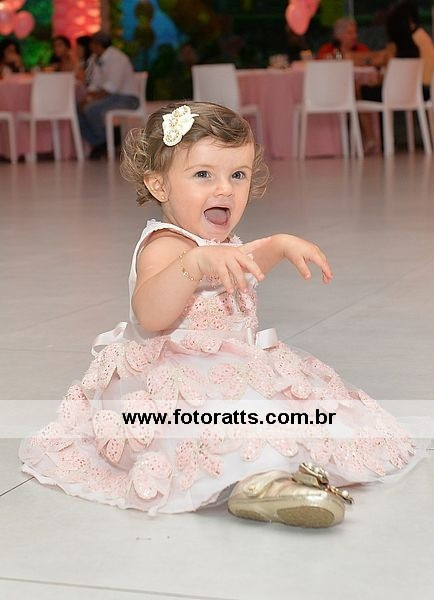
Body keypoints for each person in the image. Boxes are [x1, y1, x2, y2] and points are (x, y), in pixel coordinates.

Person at [18, 102, 430, 527]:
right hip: (173, 378)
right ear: (159, 185)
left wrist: (277, 246)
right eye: (203, 175)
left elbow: (241, 265)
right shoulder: (165, 244)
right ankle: (258, 484)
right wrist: (193, 264)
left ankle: (288, 468)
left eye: (238, 175)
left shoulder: (219, 242)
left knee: (297, 407)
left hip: (231, 365)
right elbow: (151, 314)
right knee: (220, 423)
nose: (225, 189)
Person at [78, 31, 139, 159]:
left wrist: (92, 98)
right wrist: (89, 96)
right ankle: (103, 141)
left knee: (91, 109)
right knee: (78, 108)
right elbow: (95, 83)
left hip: (127, 98)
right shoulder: (96, 59)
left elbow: (112, 88)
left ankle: (104, 142)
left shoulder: (117, 58)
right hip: (110, 97)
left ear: (97, 45)